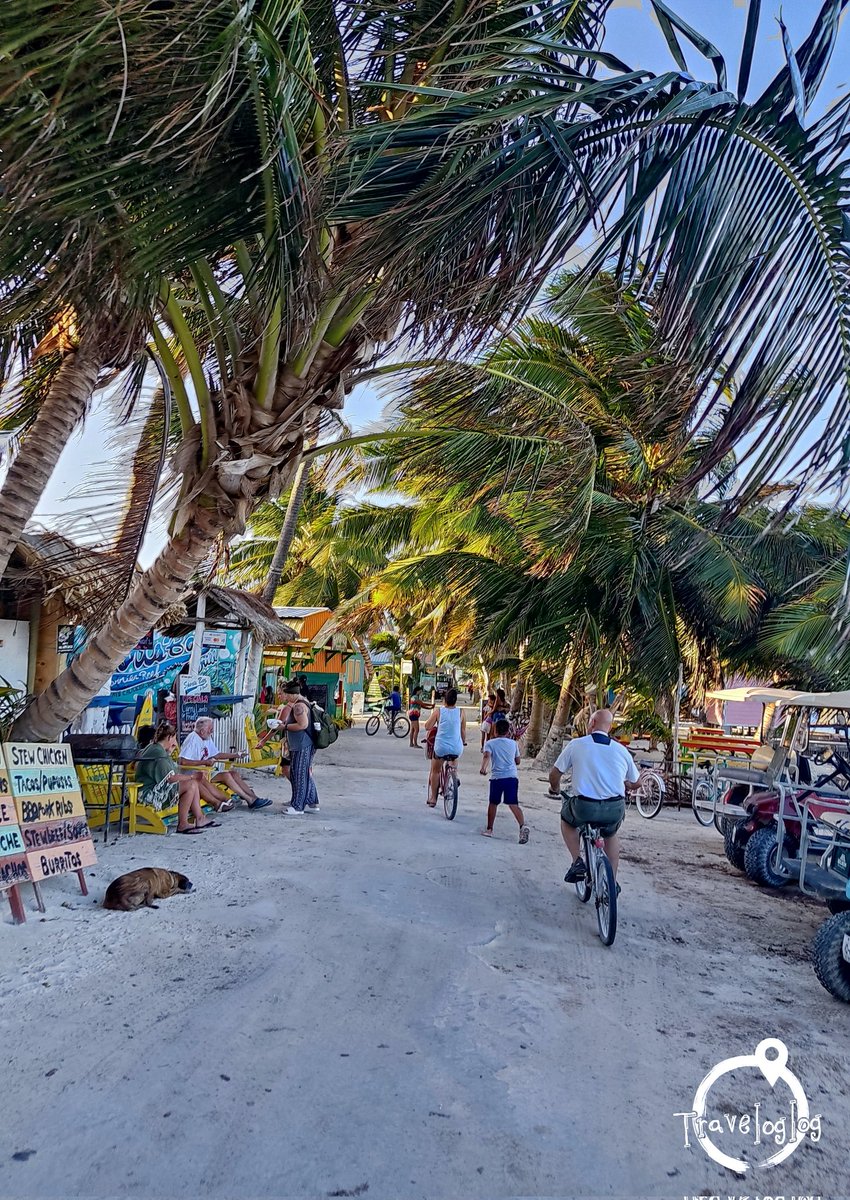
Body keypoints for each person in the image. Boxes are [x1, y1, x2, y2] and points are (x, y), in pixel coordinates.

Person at [548, 709, 638, 885]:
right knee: (610, 834)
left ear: (592, 723)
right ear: (610, 727)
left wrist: (555, 788)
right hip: (614, 808)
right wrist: (625, 784)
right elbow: (637, 782)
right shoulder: (621, 750)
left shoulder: (576, 744)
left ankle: (577, 862)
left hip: (584, 807)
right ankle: (611, 882)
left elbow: (554, 773)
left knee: (566, 820)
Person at [135, 721, 220, 835]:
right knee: (191, 783)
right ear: (169, 737)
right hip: (150, 793)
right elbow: (171, 778)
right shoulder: (158, 752)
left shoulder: (156, 749)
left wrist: (190, 777)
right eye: (174, 739)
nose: (175, 743)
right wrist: (191, 776)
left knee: (192, 783)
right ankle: (185, 823)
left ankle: (198, 818)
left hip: (155, 788)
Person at [179, 717, 272, 809]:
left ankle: (254, 799)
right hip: (195, 773)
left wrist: (236, 755)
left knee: (234, 774)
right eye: (210, 729)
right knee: (226, 775)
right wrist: (205, 762)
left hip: (206, 771)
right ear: (202, 731)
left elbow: (217, 755)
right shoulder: (193, 739)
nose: (212, 732)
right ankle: (249, 800)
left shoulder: (206, 738)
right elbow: (183, 761)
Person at [480, 718, 529, 842]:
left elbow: (486, 756)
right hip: (512, 777)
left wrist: (483, 768)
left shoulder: (490, 743)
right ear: (508, 732)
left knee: (493, 803)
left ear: (495, 731)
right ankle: (523, 826)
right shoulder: (513, 744)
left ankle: (489, 829)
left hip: (497, 778)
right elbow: (517, 761)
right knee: (513, 804)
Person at [276, 680, 320, 815]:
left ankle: (297, 806)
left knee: (298, 774)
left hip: (302, 744)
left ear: (291, 694)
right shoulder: (303, 702)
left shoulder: (298, 707)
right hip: (303, 744)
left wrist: (285, 727)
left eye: (285, 694)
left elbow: (302, 725)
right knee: (303, 773)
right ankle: (312, 801)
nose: (285, 697)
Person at [424, 687, 467, 807]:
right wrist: (463, 742)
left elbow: (428, 726)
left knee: (435, 771)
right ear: (455, 700)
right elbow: (463, 731)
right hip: (456, 747)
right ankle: (454, 775)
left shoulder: (439, 711)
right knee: (454, 757)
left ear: (444, 700)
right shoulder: (461, 712)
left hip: (441, 747)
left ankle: (433, 798)